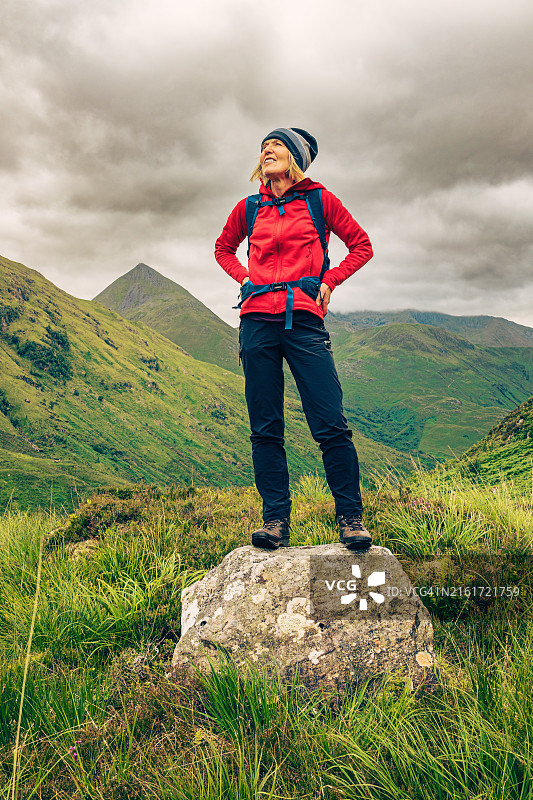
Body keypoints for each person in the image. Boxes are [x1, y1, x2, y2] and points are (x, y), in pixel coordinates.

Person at [215, 127, 373, 551]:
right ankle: (275, 522)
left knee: (330, 422)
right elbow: (223, 248)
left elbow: (361, 245)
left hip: (303, 321)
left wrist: (331, 279)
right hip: (256, 322)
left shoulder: (319, 200)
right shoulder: (249, 207)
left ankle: (350, 518)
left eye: (277, 146)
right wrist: (245, 277)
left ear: (296, 158)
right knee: (265, 428)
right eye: (263, 147)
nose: (267, 150)